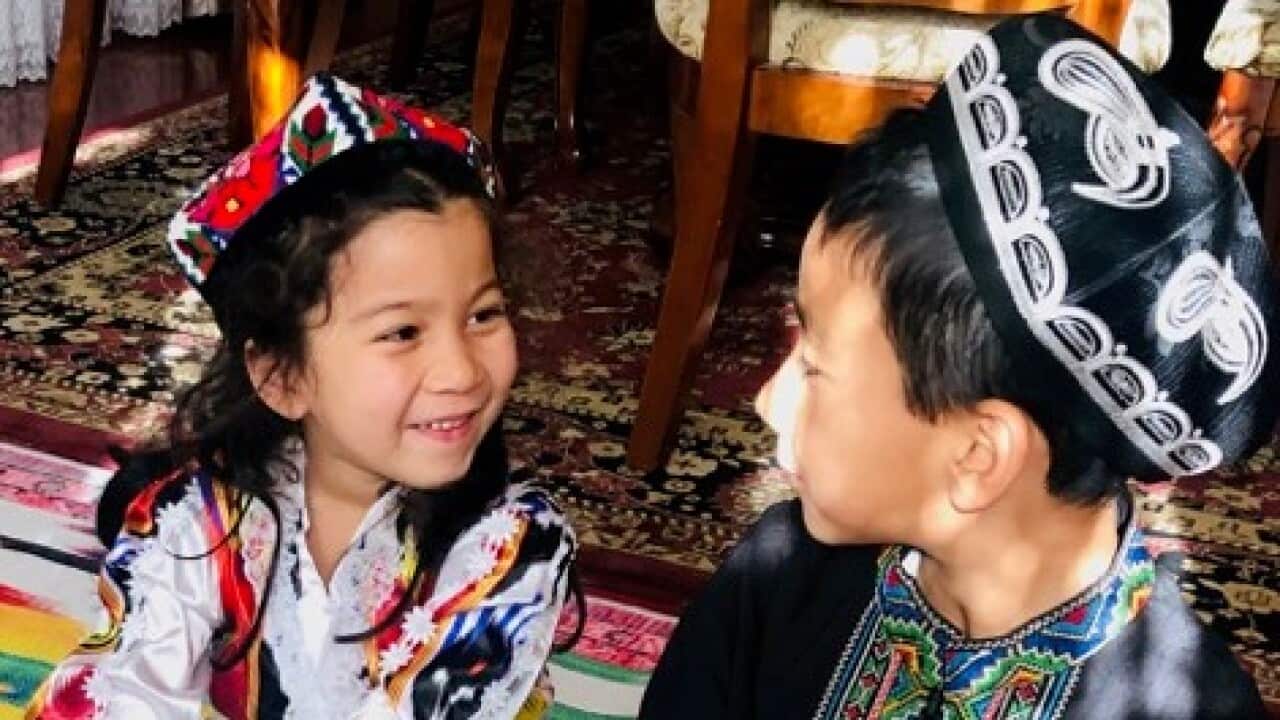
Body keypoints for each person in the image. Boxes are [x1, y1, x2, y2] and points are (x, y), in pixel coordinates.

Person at [640, 14, 1277, 720]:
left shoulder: (1190, 708)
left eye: (814, 367)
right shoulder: (779, 578)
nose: (767, 401)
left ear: (977, 455)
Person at [27, 74, 578, 720]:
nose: (460, 370)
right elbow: (123, 692)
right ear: (283, 377)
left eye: (483, 315)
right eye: (403, 332)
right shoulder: (209, 521)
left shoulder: (509, 551)